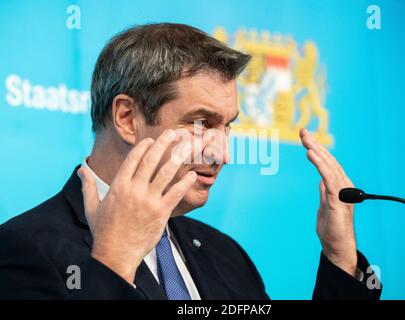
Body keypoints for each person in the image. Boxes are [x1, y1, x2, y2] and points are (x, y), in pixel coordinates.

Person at [0, 23, 381, 300]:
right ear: (127, 118)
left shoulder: (226, 254)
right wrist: (112, 263)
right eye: (200, 123)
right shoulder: (24, 248)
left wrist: (340, 257)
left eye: (227, 126)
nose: (222, 153)